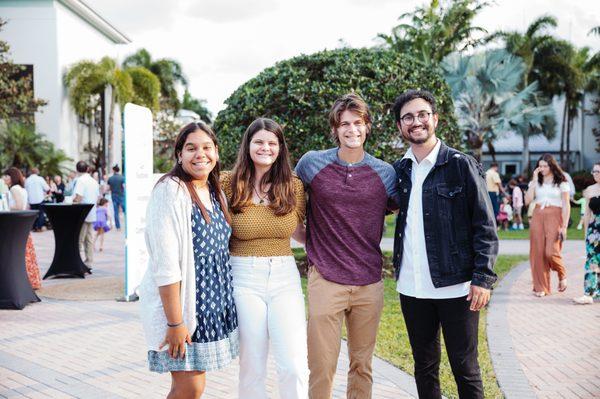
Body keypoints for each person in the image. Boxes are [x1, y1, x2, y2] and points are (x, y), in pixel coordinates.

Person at [392, 90, 498, 399]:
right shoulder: (400, 170)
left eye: (422, 114)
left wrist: (483, 278)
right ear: (400, 126)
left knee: (465, 368)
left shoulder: (460, 165)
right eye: (408, 117)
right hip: (412, 288)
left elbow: (485, 226)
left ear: (435, 119)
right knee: (424, 366)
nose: (416, 121)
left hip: (457, 287)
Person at [295, 93, 399, 398]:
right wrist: (308, 239)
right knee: (321, 366)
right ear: (335, 129)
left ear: (367, 126)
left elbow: (393, 208)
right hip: (326, 280)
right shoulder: (312, 164)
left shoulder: (385, 173)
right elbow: (290, 204)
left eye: (357, 122)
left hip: (369, 283)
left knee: (362, 365)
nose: (351, 129)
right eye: (344, 124)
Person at [139, 122, 238, 399]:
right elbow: (166, 265)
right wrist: (175, 323)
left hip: (208, 308)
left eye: (207, 147)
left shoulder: (215, 191)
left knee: (195, 386)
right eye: (191, 148)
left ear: (216, 152)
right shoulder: (171, 191)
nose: (200, 154)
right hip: (183, 309)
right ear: (179, 155)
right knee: (189, 387)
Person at [221, 117, 309, 398]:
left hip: (284, 275)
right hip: (243, 277)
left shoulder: (293, 185)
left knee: (294, 365)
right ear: (247, 145)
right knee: (252, 364)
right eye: (259, 141)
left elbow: (299, 232)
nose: (266, 148)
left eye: (273, 143)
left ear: (281, 148)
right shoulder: (227, 183)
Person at [525, 153, 570, 297]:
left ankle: (562, 274)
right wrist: (533, 180)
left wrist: (564, 226)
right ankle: (541, 287)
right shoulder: (536, 182)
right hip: (538, 214)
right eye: (540, 166)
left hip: (555, 215)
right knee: (537, 252)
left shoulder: (562, 181)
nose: (542, 168)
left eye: (545, 166)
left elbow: (566, 204)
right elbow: (527, 201)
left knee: (551, 251)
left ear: (552, 166)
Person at [3, 167, 42, 290]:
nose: (4, 179)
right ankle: (30, 280)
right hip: (22, 225)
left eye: (6, 176)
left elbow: (19, 206)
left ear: (12, 177)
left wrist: (6, 207)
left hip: (15, 224)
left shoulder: (14, 189)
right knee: (25, 254)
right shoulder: (21, 189)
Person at [573, 162, 600, 304]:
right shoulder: (589, 190)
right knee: (592, 260)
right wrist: (586, 233)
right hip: (595, 230)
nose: (596, 174)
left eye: (598, 171)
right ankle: (588, 293)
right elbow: (587, 214)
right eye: (594, 171)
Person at [72, 161, 100, 269]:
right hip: (91, 212)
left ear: (77, 169)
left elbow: (78, 197)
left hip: (82, 213)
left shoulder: (80, 181)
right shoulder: (93, 181)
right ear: (87, 168)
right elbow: (97, 198)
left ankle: (77, 262)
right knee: (89, 239)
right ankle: (89, 262)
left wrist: (72, 201)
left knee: (79, 239)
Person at [24, 167, 49, 231]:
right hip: (39, 199)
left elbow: (25, 190)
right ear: (37, 172)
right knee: (41, 214)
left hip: (31, 200)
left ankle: (34, 227)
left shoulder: (27, 180)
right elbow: (47, 188)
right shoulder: (40, 179)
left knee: (33, 214)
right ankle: (39, 227)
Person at [107, 165, 125, 230]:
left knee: (116, 211)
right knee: (125, 210)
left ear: (114, 170)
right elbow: (124, 186)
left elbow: (108, 188)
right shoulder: (122, 178)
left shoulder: (111, 178)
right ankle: (129, 224)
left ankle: (118, 227)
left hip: (114, 196)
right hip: (121, 195)